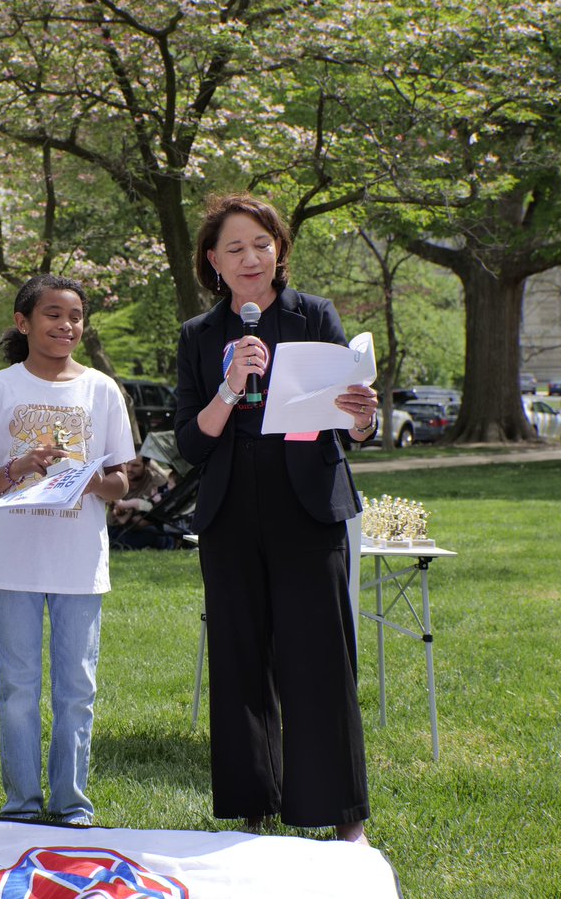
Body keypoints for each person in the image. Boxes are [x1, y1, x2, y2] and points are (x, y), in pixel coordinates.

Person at [174, 193, 377, 845]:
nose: (250, 257)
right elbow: (190, 441)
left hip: (306, 502)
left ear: (280, 250)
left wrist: (364, 414)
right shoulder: (198, 337)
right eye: (234, 248)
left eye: (261, 244)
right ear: (213, 262)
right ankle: (252, 805)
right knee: (238, 655)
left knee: (318, 654)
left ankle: (343, 815)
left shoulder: (314, 315)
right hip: (231, 505)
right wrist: (231, 386)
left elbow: (350, 418)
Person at [0, 274, 134, 825]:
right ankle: (20, 804)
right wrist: (17, 468)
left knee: (76, 689)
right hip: (14, 563)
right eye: (53, 315)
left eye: (76, 316)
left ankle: (71, 804)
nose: (67, 326)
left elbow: (121, 483)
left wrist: (90, 482)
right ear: (23, 322)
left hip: (79, 564)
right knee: (17, 689)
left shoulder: (102, 391)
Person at [108, 454, 176, 550]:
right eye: (127, 464)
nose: (129, 469)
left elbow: (171, 484)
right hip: (115, 526)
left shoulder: (155, 481)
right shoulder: (119, 477)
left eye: (136, 465)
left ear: (147, 465)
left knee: (148, 535)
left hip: (141, 528)